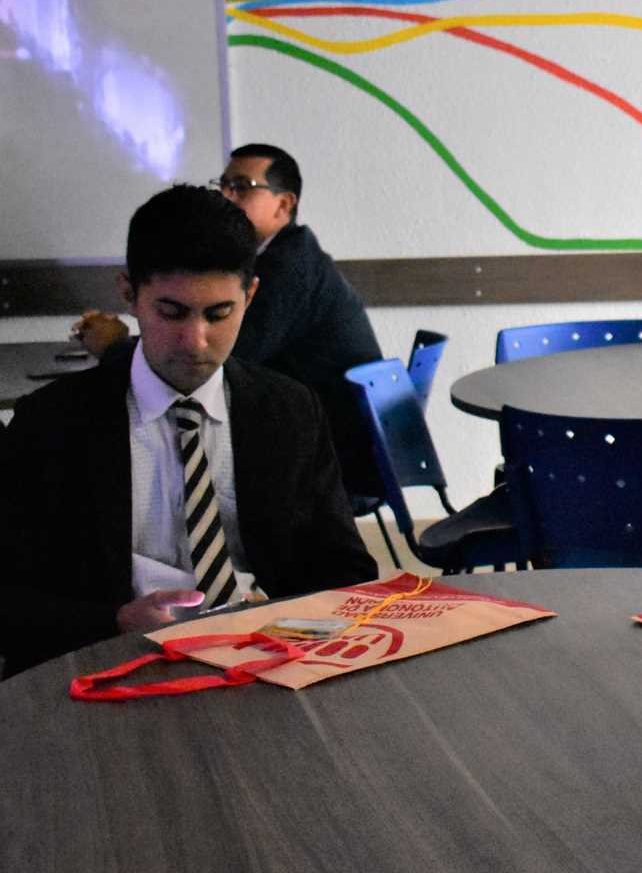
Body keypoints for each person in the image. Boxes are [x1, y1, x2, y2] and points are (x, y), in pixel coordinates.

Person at [2, 185, 376, 678]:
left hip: (261, 665)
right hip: (107, 667)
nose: (195, 341)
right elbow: (11, 601)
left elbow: (347, 574)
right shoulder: (53, 422)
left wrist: (284, 619)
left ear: (250, 295)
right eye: (171, 313)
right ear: (128, 294)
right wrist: (115, 622)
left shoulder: (288, 411)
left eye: (219, 314)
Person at [76, 143, 385, 497]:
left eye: (241, 187)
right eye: (222, 185)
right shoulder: (288, 255)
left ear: (284, 205)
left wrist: (115, 346)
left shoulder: (288, 267)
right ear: (129, 293)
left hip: (333, 455)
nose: (225, 195)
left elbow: (217, 365)